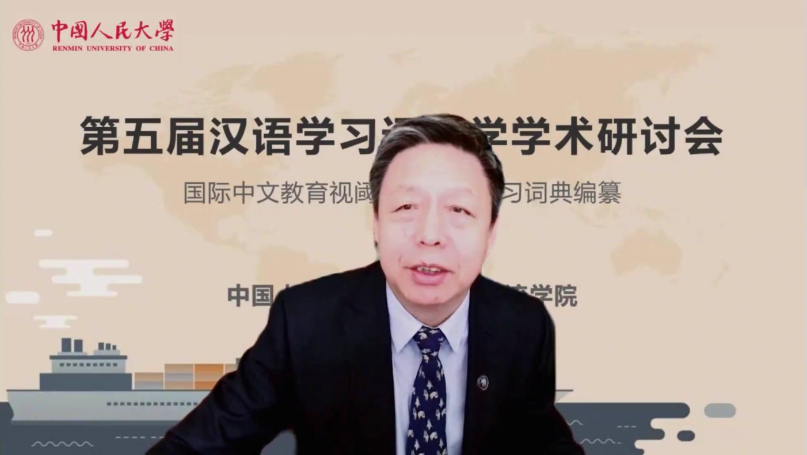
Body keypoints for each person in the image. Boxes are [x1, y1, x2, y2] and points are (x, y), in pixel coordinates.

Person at [146, 114, 584, 455]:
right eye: (407, 207)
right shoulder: (306, 322)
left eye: (459, 211)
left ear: (491, 230)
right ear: (375, 221)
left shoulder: (524, 327)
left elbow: (542, 440)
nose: (430, 234)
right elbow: (197, 447)